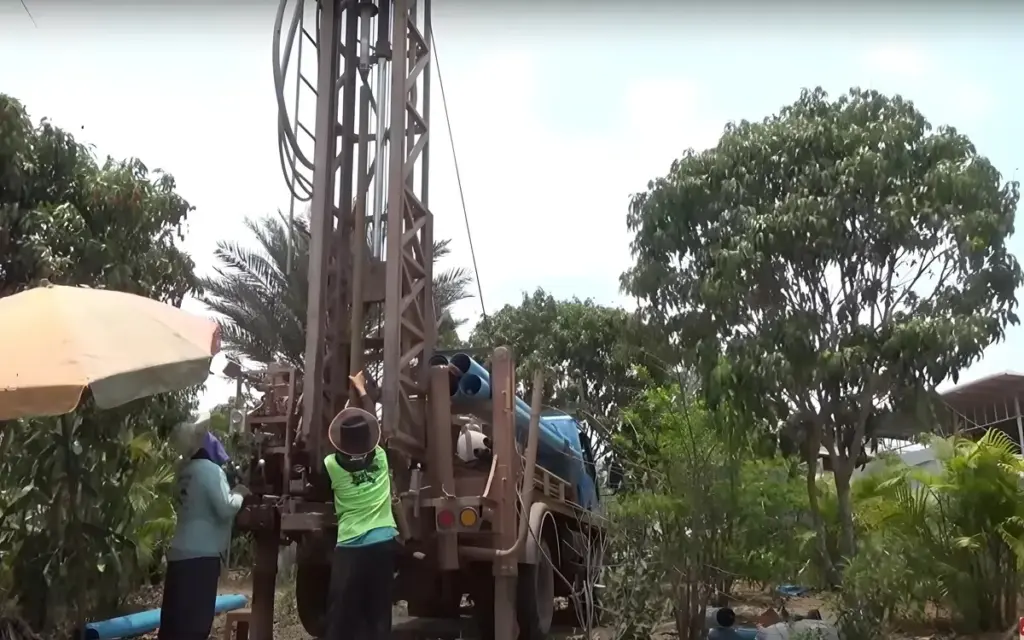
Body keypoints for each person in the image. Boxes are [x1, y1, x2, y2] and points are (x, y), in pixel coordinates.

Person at [324, 371, 399, 640]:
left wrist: (349, 395)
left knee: (341, 615)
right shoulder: (380, 457)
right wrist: (362, 390)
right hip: (383, 542)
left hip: (350, 548)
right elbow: (372, 419)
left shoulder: (331, 465)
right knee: (378, 612)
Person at [159, 420, 248, 640]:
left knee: (173, 622)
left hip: (179, 552)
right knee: (195, 624)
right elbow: (226, 508)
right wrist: (239, 493)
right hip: (201, 556)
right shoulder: (210, 470)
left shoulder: (182, 471)